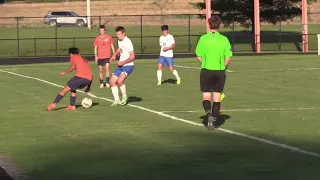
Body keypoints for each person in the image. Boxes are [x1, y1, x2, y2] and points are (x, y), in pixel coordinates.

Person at [195, 15, 232, 129]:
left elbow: (198, 55)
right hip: (219, 71)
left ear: (209, 24)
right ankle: (214, 121)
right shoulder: (224, 39)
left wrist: (204, 63)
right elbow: (228, 58)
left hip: (206, 70)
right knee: (217, 97)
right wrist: (223, 67)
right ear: (219, 25)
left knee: (206, 96)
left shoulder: (203, 38)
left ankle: (208, 114)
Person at [109, 26, 135, 106]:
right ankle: (116, 100)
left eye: (119, 34)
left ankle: (124, 96)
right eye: (117, 34)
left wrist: (122, 62)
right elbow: (120, 48)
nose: (118, 36)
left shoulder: (128, 42)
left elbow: (132, 56)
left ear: (124, 33)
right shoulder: (120, 40)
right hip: (121, 65)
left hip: (128, 66)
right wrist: (114, 55)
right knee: (112, 82)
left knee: (120, 81)